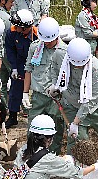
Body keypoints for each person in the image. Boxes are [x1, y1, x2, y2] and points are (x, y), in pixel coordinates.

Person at [49, 37, 98, 159]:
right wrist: (56, 86)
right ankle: (77, 171)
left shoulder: (96, 68)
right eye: (75, 65)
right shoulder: (60, 55)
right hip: (72, 104)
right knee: (77, 141)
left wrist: (75, 122)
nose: (78, 67)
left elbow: (89, 102)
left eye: (81, 65)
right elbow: (54, 69)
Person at [23, 17, 67, 154]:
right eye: (45, 41)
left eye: (50, 41)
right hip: (39, 97)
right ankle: (31, 155)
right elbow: (29, 69)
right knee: (33, 128)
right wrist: (25, 93)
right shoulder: (35, 47)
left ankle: (51, 156)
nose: (47, 43)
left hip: (56, 98)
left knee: (56, 129)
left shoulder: (64, 51)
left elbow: (68, 76)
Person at [5, 9, 38, 128]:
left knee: (38, 91)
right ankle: (13, 116)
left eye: (19, 26)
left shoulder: (37, 35)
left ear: (26, 27)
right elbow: (10, 51)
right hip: (19, 63)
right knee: (15, 89)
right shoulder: (12, 32)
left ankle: (35, 116)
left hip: (36, 64)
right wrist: (14, 67)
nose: (16, 28)